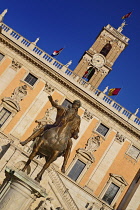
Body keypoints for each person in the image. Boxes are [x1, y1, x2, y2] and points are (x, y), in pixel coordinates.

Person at [20, 95, 81, 172]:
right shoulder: (65, 110)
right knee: (43, 127)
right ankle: (27, 140)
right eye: (74, 104)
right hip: (56, 126)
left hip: (67, 134)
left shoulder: (78, 118)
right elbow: (56, 105)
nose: (75, 106)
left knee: (69, 145)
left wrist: (75, 134)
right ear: (72, 104)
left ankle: (64, 165)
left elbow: (77, 129)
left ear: (78, 107)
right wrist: (51, 100)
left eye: (77, 105)